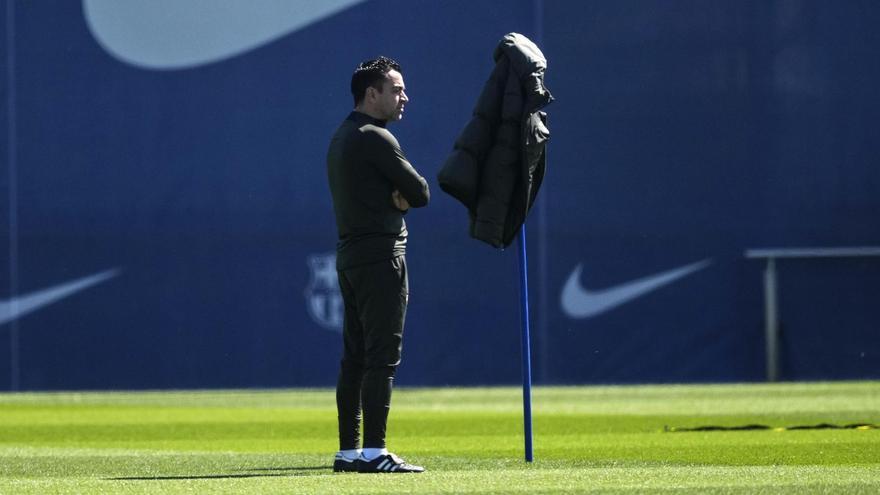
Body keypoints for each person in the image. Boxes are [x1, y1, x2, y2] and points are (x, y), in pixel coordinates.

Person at [326, 56, 429, 474]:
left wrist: (396, 195)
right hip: (381, 257)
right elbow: (420, 192)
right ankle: (374, 451)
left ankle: (349, 451)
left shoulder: (342, 135)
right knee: (382, 357)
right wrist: (399, 196)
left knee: (355, 357)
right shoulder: (375, 136)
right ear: (373, 94)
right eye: (396, 89)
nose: (405, 97)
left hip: (351, 257)